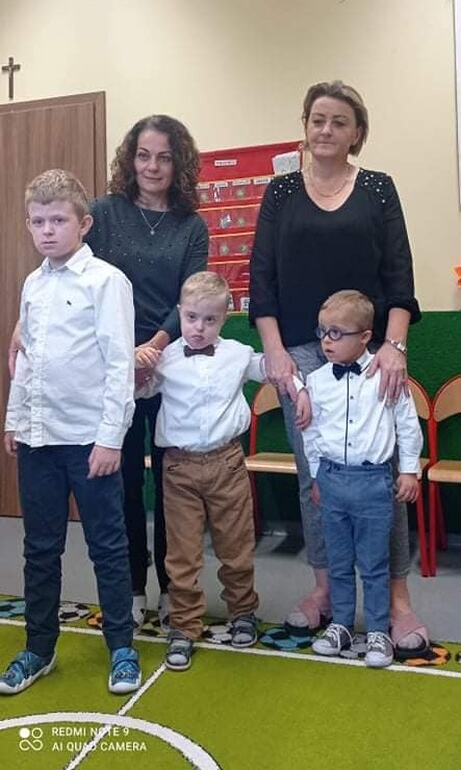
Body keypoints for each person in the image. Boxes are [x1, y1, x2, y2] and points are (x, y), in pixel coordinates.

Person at [249, 79, 427, 654]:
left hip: (373, 351)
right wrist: (276, 352)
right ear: (305, 126)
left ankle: (396, 601)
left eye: (339, 121)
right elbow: (262, 280)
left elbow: (399, 276)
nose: (325, 130)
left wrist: (394, 347)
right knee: (316, 478)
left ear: (357, 133)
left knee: (381, 476)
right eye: (317, 119)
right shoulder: (280, 192)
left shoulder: (377, 188)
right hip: (301, 353)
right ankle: (326, 591)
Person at [1, 169, 141, 695]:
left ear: (83, 224)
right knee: (40, 548)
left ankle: (121, 647)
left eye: (58, 220)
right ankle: (39, 648)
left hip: (89, 441)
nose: (47, 230)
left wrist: (110, 438)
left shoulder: (106, 281)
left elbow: (119, 365)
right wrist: (15, 418)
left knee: (107, 546)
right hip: (39, 440)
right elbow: (27, 359)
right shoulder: (32, 284)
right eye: (38, 221)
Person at [135, 271, 309, 671]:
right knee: (181, 555)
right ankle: (183, 626)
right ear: (179, 313)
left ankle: (243, 611)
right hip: (178, 468)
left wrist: (299, 390)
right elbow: (136, 391)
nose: (199, 328)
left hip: (227, 463)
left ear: (224, 318)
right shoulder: (165, 358)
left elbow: (276, 369)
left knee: (237, 546)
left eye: (210, 319)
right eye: (191, 317)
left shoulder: (237, 354)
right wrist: (136, 366)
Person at [85, 115, 209, 629]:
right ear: (129, 158)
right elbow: (73, 275)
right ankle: (132, 587)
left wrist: (153, 349)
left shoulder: (192, 225)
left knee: (171, 486)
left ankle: (174, 589)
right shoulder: (102, 213)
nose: (152, 166)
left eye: (163, 157)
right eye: (143, 155)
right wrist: (125, 358)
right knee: (123, 486)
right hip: (111, 366)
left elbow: (192, 299)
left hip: (171, 365)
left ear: (179, 163)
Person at [298, 290, 422, 668]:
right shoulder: (316, 380)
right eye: (322, 332)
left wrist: (408, 470)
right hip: (332, 478)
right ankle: (341, 624)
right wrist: (317, 476)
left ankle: (379, 630)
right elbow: (311, 433)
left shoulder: (388, 374)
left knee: (374, 563)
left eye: (337, 333)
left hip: (373, 483)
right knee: (338, 560)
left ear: (366, 336)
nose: (326, 341)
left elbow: (407, 424)